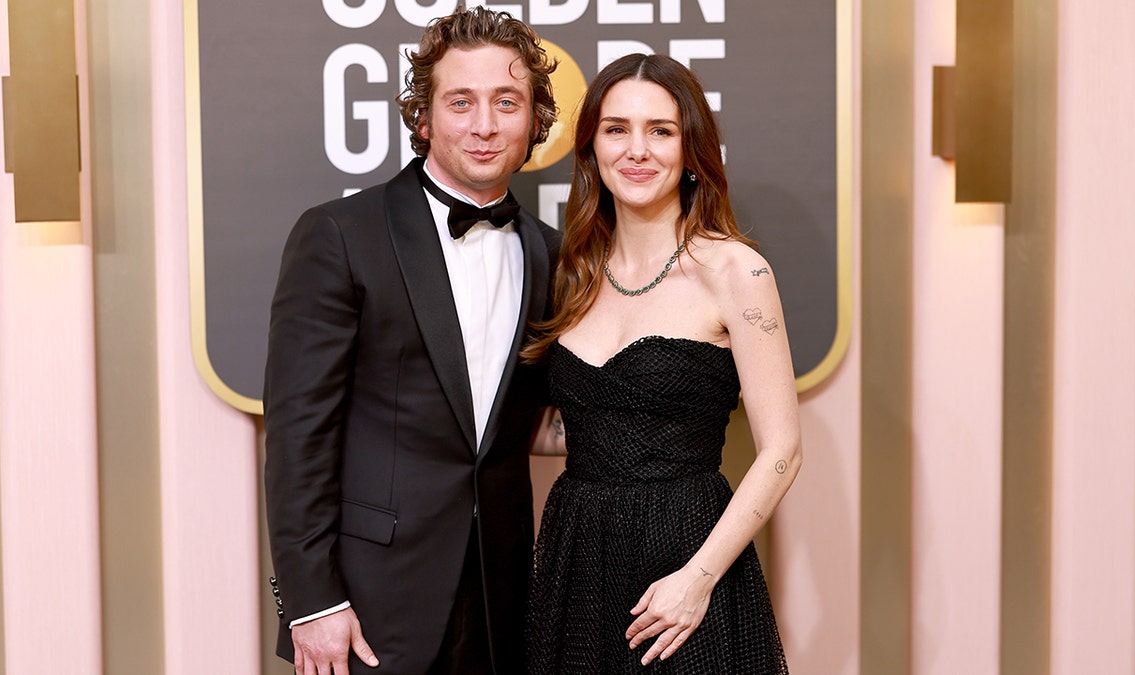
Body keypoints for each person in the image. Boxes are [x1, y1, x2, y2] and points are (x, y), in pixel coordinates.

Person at [262, 7, 560, 674]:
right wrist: (311, 602)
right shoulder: (340, 234)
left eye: (506, 101)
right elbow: (297, 435)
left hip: (503, 602)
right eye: (462, 101)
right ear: (424, 119)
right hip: (368, 606)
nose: (485, 125)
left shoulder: (550, 253)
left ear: (535, 120)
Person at [523, 53, 800, 674]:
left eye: (661, 130)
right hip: (578, 557)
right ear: (591, 147)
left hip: (687, 554)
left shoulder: (737, 271)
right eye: (617, 129)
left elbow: (782, 450)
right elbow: (578, 422)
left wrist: (696, 580)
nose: (637, 150)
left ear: (691, 149)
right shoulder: (571, 274)